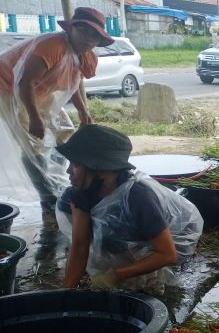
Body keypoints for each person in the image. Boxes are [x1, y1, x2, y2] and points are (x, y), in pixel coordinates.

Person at [57, 124, 203, 290]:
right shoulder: (80, 193)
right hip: (124, 236)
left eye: (75, 165)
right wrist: (66, 293)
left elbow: (167, 254)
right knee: (105, 243)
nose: (68, 171)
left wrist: (116, 275)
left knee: (137, 283)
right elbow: (80, 246)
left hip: (169, 242)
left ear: (102, 171)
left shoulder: (138, 198)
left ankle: (144, 275)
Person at [0, 7, 113, 208]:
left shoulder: (86, 56)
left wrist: (82, 110)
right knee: (32, 142)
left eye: (94, 35)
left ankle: (61, 179)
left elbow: (72, 82)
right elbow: (24, 83)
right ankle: (47, 198)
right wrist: (34, 118)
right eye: (84, 30)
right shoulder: (52, 46)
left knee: (66, 134)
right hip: (8, 87)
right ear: (71, 29)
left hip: (40, 91)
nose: (88, 38)